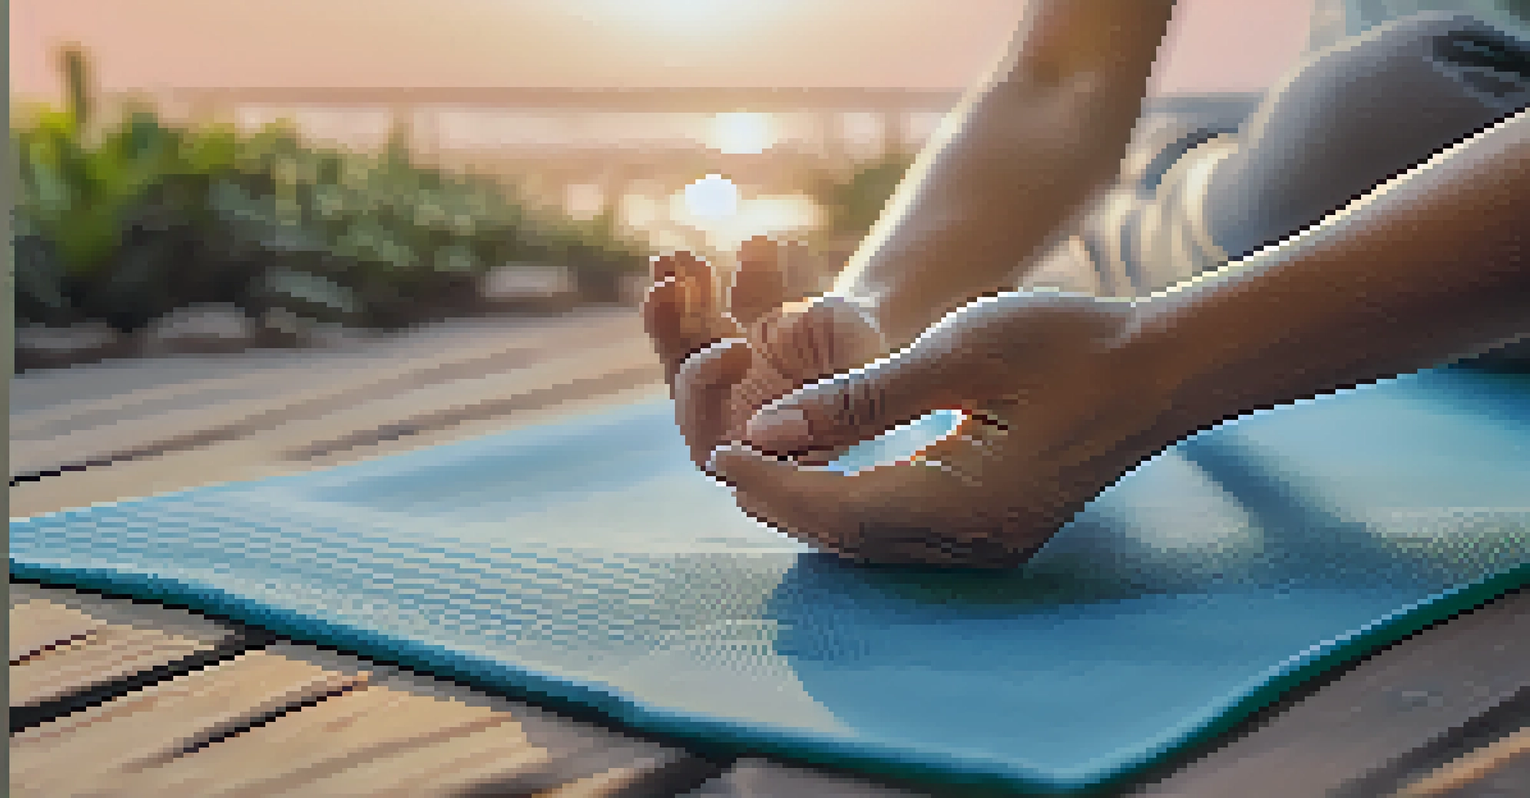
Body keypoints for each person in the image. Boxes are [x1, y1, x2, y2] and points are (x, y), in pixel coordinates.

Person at [643, 1, 1530, 567]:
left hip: (1379, 143)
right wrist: (872, 315)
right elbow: (1062, 73)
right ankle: (1166, 198)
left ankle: (1155, 212)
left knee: (1395, 112)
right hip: (1308, 191)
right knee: (1379, 118)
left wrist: (1160, 366)